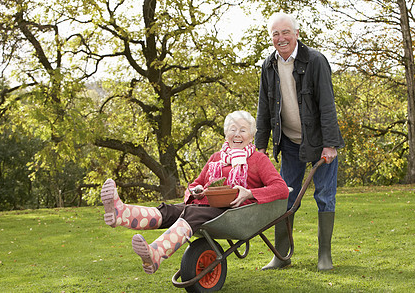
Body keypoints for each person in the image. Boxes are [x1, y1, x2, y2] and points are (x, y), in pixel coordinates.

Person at [101, 110, 289, 274]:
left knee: (190, 212)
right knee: (170, 210)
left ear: (251, 135)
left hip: (235, 213)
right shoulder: (216, 158)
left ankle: (156, 253)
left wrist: (248, 193)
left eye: (243, 129)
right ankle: (122, 214)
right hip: (205, 205)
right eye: (233, 129)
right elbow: (198, 183)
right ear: (226, 133)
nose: (237, 134)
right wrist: (195, 190)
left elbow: (281, 188)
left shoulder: (258, 159)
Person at [255, 12, 345, 271]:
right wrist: (260, 146)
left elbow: (327, 106)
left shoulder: (315, 61)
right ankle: (281, 255)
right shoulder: (268, 65)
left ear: (296, 34)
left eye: (285, 32)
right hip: (290, 143)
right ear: (271, 37)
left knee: (324, 197)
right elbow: (264, 108)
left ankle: (324, 256)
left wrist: (330, 144)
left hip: (319, 143)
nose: (281, 38)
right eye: (275, 34)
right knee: (284, 195)